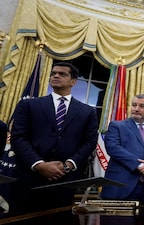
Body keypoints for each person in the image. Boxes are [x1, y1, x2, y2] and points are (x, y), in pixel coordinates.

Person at [9, 62, 98, 213]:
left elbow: (89, 142)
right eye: (53, 73)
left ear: (73, 81)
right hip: (29, 178)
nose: (56, 76)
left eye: (62, 74)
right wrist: (39, 164)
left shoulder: (87, 111)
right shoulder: (29, 105)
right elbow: (18, 138)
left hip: (65, 181)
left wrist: (69, 165)